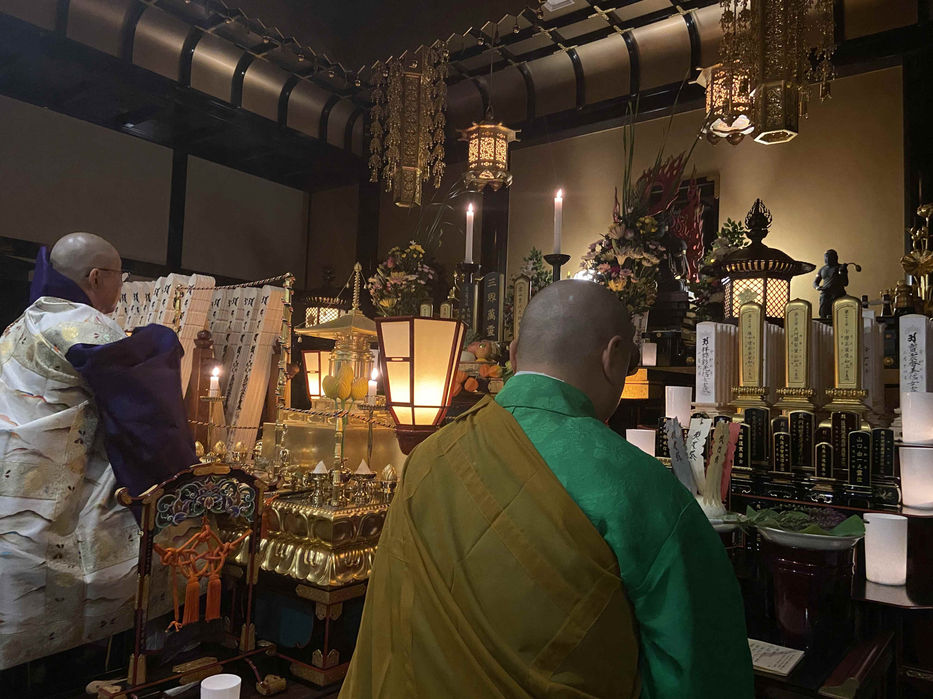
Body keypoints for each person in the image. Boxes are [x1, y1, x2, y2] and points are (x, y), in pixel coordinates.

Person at [341, 280, 753, 698]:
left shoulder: (428, 459)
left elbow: (385, 637)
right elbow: (699, 669)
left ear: (513, 353)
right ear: (613, 357)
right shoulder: (641, 488)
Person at [0, 233, 196, 670]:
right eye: (120, 278)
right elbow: (146, 417)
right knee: (177, 527)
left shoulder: (24, 321)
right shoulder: (84, 325)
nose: (121, 288)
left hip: (10, 476)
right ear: (96, 277)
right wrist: (161, 342)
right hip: (50, 494)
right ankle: (154, 645)